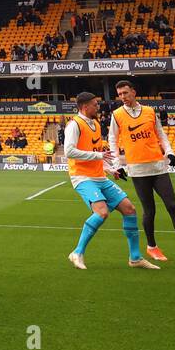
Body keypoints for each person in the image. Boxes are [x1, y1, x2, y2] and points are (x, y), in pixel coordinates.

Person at [108, 80, 175, 265]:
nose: (123, 97)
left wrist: (170, 151)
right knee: (149, 210)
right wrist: (117, 164)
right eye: (120, 94)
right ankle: (151, 247)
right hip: (137, 169)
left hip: (158, 166)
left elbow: (161, 134)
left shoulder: (150, 111)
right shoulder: (117, 115)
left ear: (134, 92)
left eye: (126, 93)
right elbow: (112, 140)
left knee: (173, 206)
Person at [64, 92, 153, 270]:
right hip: (82, 177)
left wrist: (111, 169)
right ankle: (77, 252)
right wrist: (98, 155)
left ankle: (135, 258)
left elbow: (97, 154)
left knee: (129, 209)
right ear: (84, 106)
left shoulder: (95, 124)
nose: (98, 107)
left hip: (99, 176)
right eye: (95, 104)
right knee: (102, 212)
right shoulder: (74, 125)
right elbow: (69, 151)